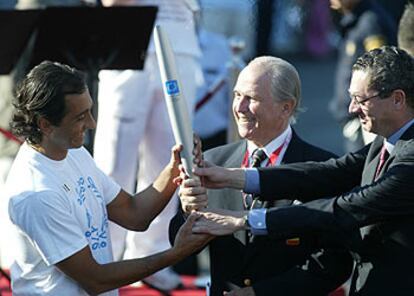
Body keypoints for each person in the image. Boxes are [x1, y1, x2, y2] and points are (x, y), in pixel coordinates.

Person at [188, 46, 414, 296]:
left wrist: (243, 221)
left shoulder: (410, 156)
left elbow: (346, 208)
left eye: (360, 100)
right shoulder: (386, 142)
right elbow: (330, 172)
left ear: (397, 99)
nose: (351, 109)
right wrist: (232, 177)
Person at [4, 61, 211, 295]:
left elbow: (134, 214)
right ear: (45, 124)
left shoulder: (75, 153)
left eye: (90, 111)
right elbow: (96, 280)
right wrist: (176, 254)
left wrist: (174, 166)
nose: (91, 124)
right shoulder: (36, 195)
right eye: (80, 117)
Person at [171, 56, 353, 296]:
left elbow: (335, 263)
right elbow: (180, 250)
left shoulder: (322, 169)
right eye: (237, 95)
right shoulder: (214, 162)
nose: (239, 107)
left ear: (286, 107)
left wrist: (259, 293)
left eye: (252, 98)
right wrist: (187, 211)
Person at [93, 0, 203, 290]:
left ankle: (151, 255)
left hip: (180, 39)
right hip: (129, 40)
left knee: (169, 160)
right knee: (114, 160)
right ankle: (104, 256)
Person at [328, 0, 397, 152]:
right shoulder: (356, 19)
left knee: (366, 169)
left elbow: (380, 69)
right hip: (355, 113)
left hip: (365, 116)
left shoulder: (370, 22)